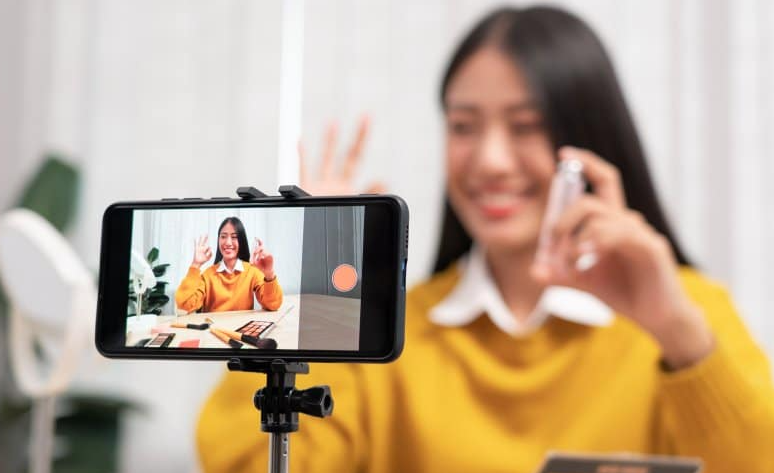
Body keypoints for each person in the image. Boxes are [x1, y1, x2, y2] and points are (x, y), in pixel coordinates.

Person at [196, 6, 774, 472]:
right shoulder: (388, 331)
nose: (491, 161)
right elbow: (243, 461)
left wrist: (675, 328)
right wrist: (312, 287)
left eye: (526, 126)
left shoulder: (687, 315)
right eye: (464, 126)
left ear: (589, 139)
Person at [175, 216, 282, 313]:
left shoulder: (252, 271)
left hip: (241, 332)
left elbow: (273, 305)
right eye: (223, 236)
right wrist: (195, 265)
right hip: (213, 331)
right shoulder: (208, 275)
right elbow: (184, 305)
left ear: (241, 241)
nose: (228, 242)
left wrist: (269, 274)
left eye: (234, 237)